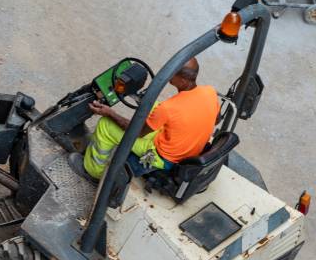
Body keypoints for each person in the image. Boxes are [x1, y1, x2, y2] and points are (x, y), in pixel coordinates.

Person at [71, 58, 220, 182]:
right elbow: (216, 119)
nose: (168, 76)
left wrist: (109, 113)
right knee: (154, 107)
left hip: (164, 157)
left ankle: (93, 172)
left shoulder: (169, 108)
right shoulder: (210, 92)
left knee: (105, 126)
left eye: (171, 74)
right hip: (188, 148)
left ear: (182, 79)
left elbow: (136, 132)